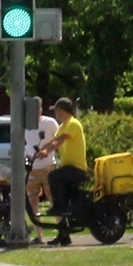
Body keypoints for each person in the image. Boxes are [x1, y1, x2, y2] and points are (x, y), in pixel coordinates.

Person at [36, 97, 89, 246]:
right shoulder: (64, 125)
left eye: (57, 111)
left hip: (77, 168)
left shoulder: (73, 123)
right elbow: (54, 140)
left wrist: (46, 151)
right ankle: (64, 234)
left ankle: (60, 206)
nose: (56, 114)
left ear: (62, 110)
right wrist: (40, 149)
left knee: (53, 176)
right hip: (68, 167)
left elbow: (60, 141)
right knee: (56, 180)